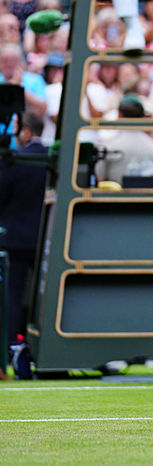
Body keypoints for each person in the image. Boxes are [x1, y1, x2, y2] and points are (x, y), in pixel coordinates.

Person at [0, 111, 48, 348]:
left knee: (13, 294)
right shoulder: (53, 158)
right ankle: (44, 344)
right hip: (46, 236)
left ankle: (11, 345)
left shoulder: (16, 160)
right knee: (45, 295)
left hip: (15, 237)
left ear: (27, 131)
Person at [95, 94, 153, 186]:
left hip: (115, 200)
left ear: (119, 115)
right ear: (142, 117)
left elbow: (99, 180)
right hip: (150, 200)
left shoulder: (107, 147)